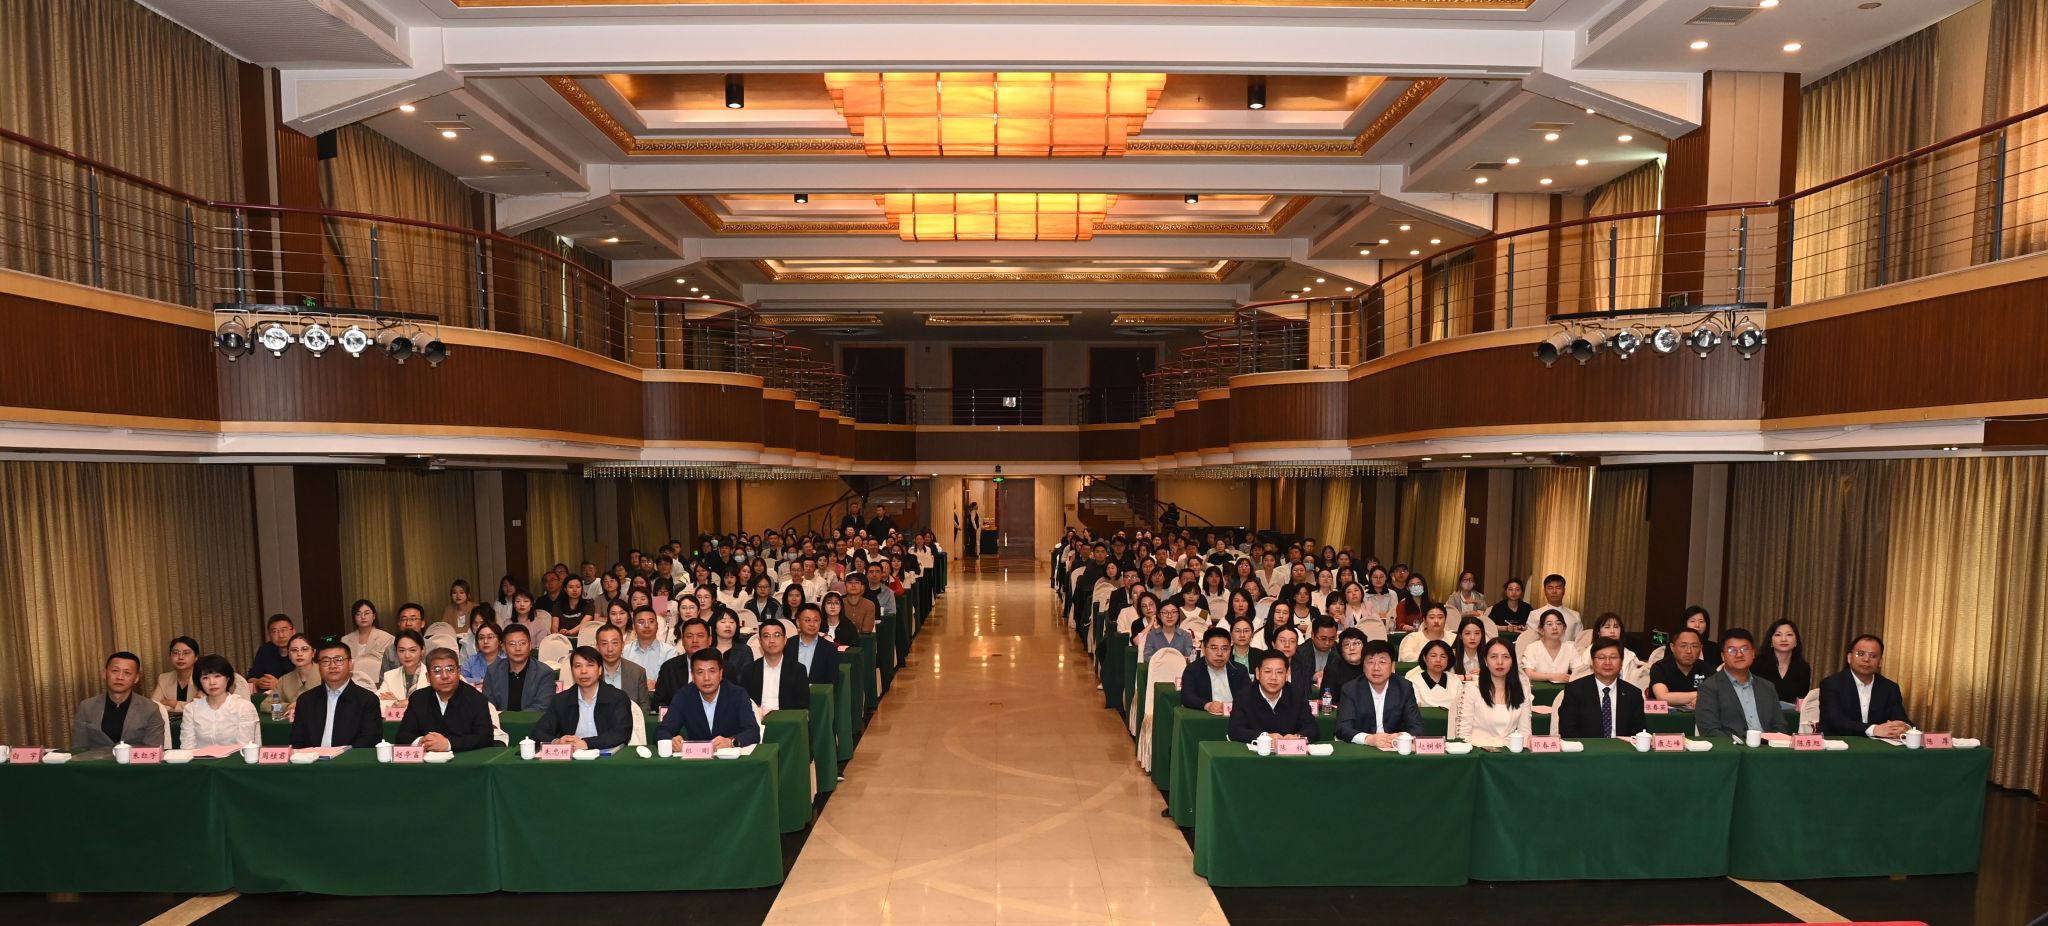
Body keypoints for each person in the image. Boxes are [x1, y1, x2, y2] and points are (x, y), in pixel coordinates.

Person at [395, 647, 502, 753]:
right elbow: (403, 735)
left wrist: (448, 744)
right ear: (428, 677)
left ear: (459, 672)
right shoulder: (418, 698)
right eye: (437, 671)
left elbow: (485, 736)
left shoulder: (476, 699)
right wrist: (422, 741)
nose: (445, 676)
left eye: (450, 669)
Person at [532, 646, 634, 751]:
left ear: (600, 670)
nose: (583, 671)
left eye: (590, 665)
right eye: (578, 666)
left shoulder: (617, 698)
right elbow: (538, 733)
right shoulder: (561, 700)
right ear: (572, 671)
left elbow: (622, 733)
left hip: (607, 758)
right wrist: (557, 742)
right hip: (572, 758)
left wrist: (587, 743)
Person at [656, 648, 762, 749]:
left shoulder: (737, 694)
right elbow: (662, 731)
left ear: (721, 674)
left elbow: (753, 732)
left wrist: (731, 742)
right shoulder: (683, 696)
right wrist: (670, 741)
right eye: (700, 672)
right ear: (693, 676)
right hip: (698, 758)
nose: (706, 678)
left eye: (712, 671)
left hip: (730, 757)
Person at [291, 639, 384, 749]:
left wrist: (341, 754)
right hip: (312, 758)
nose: (332, 666)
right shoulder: (305, 700)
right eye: (325, 661)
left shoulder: (367, 700)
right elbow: (297, 740)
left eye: (338, 660)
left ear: (350, 664)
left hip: (349, 758)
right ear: (319, 667)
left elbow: (370, 739)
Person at [1694, 630, 1785, 738]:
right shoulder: (1709, 687)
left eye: (1744, 649)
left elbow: (1780, 726)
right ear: (1723, 656)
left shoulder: (1767, 687)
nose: (1739, 654)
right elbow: (1709, 731)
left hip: (1767, 746)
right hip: (1731, 747)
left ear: (1753, 653)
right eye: (1732, 650)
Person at [1818, 634, 1912, 738]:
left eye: (1873, 656)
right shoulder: (1831, 684)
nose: (1866, 659)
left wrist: (1905, 727)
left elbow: (1900, 718)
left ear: (1880, 662)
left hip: (1878, 746)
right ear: (1849, 658)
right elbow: (1836, 721)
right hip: (1841, 743)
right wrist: (1874, 729)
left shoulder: (1890, 688)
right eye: (1860, 654)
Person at [72, 651, 167, 751]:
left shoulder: (150, 709)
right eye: (115, 671)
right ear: (104, 673)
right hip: (95, 760)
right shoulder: (86, 707)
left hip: (134, 761)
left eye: (127, 673)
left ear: (136, 678)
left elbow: (153, 750)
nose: (120, 677)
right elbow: (79, 748)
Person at [1337, 640, 1425, 745]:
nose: (1376, 668)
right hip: (1362, 748)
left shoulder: (1404, 687)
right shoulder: (1351, 689)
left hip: (1394, 747)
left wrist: (1401, 736)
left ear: (1392, 666)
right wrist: (1368, 739)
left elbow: (1418, 727)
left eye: (1382, 662)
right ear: (1363, 666)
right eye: (1370, 662)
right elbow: (1342, 728)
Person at [1227, 650, 1322, 744]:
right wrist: (1264, 737)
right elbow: (1235, 731)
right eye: (1268, 671)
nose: (1273, 677)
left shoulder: (1296, 695)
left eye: (1279, 672)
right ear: (1258, 673)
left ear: (1286, 674)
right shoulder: (1244, 696)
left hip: (1289, 751)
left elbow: (1313, 729)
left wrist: (1297, 737)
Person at [1558, 638, 1647, 738]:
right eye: (1601, 658)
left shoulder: (1633, 694)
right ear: (1592, 662)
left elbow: (1639, 732)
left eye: (1613, 657)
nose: (1607, 662)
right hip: (1586, 747)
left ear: (1621, 662)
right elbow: (1567, 730)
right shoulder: (1575, 690)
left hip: (1621, 747)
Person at [1455, 638, 1531, 747]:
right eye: (1494, 657)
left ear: (1512, 662)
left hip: (1509, 752)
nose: (1500, 662)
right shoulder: (1472, 690)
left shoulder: (1522, 690)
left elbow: (1525, 734)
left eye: (1506, 657)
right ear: (1485, 661)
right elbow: (1463, 736)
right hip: (1478, 752)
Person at [180, 654, 260, 749]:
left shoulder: (243, 707)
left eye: (217, 676)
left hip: (235, 758)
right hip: (199, 758)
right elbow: (187, 747)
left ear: (228, 678)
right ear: (199, 682)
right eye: (205, 678)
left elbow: (245, 747)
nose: (212, 682)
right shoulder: (191, 709)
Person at [483, 623, 557, 713]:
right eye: (512, 644)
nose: (517, 648)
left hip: (532, 721)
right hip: (499, 721)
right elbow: (488, 703)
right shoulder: (493, 670)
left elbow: (542, 706)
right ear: (503, 647)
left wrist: (514, 719)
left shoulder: (544, 673)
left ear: (530, 646)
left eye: (522, 643)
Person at [738, 619, 809, 711]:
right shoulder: (749, 669)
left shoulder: (798, 670)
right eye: (766, 636)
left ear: (785, 640)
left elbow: (802, 706)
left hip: (786, 718)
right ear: (760, 641)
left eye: (777, 635)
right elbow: (744, 702)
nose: (771, 640)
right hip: (757, 718)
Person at [1179, 627, 1250, 714]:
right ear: (1204, 649)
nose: (1220, 653)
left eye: (1224, 648)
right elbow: (1187, 697)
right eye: (1214, 648)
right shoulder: (1193, 669)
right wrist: (1207, 705)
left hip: (1235, 717)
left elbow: (1248, 697)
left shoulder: (1240, 670)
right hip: (1206, 718)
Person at [652, 618, 715, 708]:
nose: (695, 640)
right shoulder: (669, 668)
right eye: (689, 636)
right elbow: (659, 703)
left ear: (710, 640)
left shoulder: (724, 668)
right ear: (683, 641)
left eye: (700, 636)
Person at [1753, 618, 1812, 709]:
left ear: (1796, 642)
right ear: (1771, 642)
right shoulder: (1756, 664)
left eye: (1789, 635)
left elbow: (1802, 701)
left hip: (1791, 715)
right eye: (1778, 635)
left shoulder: (1803, 668)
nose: (1783, 639)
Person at [1649, 628, 1713, 708]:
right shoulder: (1660, 667)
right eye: (1683, 646)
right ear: (1672, 647)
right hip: (1663, 715)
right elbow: (1663, 697)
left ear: (1700, 648)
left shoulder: (1706, 668)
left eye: (1694, 646)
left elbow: (1720, 693)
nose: (1689, 651)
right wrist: (1702, 695)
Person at [594, 623, 650, 712]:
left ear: (623, 645)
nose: (610, 649)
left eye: (614, 643)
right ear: (597, 647)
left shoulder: (637, 672)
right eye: (604, 644)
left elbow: (644, 708)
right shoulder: (591, 673)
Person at [1519, 609, 1579, 683]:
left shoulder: (1570, 648)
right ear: (1541, 629)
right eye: (1549, 624)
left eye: (1558, 624)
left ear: (1564, 628)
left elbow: (1579, 672)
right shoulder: (1533, 647)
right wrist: (1553, 676)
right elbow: (1529, 674)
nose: (1555, 627)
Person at [790, 604, 844, 686]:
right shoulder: (787, 645)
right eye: (807, 620)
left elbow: (832, 682)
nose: (812, 624)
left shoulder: (829, 649)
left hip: (817, 693)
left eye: (816, 620)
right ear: (798, 622)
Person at [343, 599, 395, 682]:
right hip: (352, 681)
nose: (363, 617)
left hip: (379, 681)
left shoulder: (387, 638)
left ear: (374, 616)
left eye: (366, 613)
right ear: (354, 618)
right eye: (358, 614)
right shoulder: (345, 640)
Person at [1404, 640, 1461, 711]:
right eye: (1433, 656)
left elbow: (1462, 707)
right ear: (1424, 658)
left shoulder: (1455, 680)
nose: (1438, 660)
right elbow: (1413, 710)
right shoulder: (1413, 681)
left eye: (1443, 656)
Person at [151, 636, 202, 713]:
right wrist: (187, 705)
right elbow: (154, 707)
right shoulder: (164, 678)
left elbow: (200, 708)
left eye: (186, 653)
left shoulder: (204, 678)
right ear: (170, 656)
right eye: (175, 653)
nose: (180, 657)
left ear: (196, 657)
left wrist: (173, 703)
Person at [377, 629, 431, 701]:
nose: (407, 655)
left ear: (422, 650)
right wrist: (399, 702)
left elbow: (435, 702)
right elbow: (379, 700)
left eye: (412, 650)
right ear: (396, 652)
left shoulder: (431, 675)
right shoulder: (390, 676)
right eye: (401, 650)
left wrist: (400, 702)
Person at [1292, 618, 1340, 696]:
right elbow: (1297, 683)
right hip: (1305, 697)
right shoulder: (1299, 653)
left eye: (1332, 639)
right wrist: (1313, 677)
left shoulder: (1340, 652)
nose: (1327, 643)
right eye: (1323, 638)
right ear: (1312, 635)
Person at [247, 614, 297, 691]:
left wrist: (279, 684)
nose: (280, 635)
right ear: (269, 635)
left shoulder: (302, 650)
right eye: (275, 631)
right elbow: (251, 678)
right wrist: (258, 682)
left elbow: (307, 682)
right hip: (270, 696)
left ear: (293, 632)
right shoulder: (265, 650)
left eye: (284, 630)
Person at [379, 604, 429, 675]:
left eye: (413, 619)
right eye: (404, 619)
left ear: (423, 623)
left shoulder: (433, 648)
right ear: (399, 623)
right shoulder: (390, 650)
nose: (408, 623)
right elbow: (384, 678)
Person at [1322, 628, 1368, 704]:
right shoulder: (1333, 669)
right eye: (1346, 644)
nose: (1352, 648)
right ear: (1341, 650)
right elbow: (1326, 702)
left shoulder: (1371, 666)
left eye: (1356, 643)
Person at [274, 633, 321, 704]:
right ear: (289, 654)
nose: (299, 654)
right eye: (294, 650)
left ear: (313, 653)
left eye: (304, 649)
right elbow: (266, 704)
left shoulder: (326, 674)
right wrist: (288, 706)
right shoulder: (284, 680)